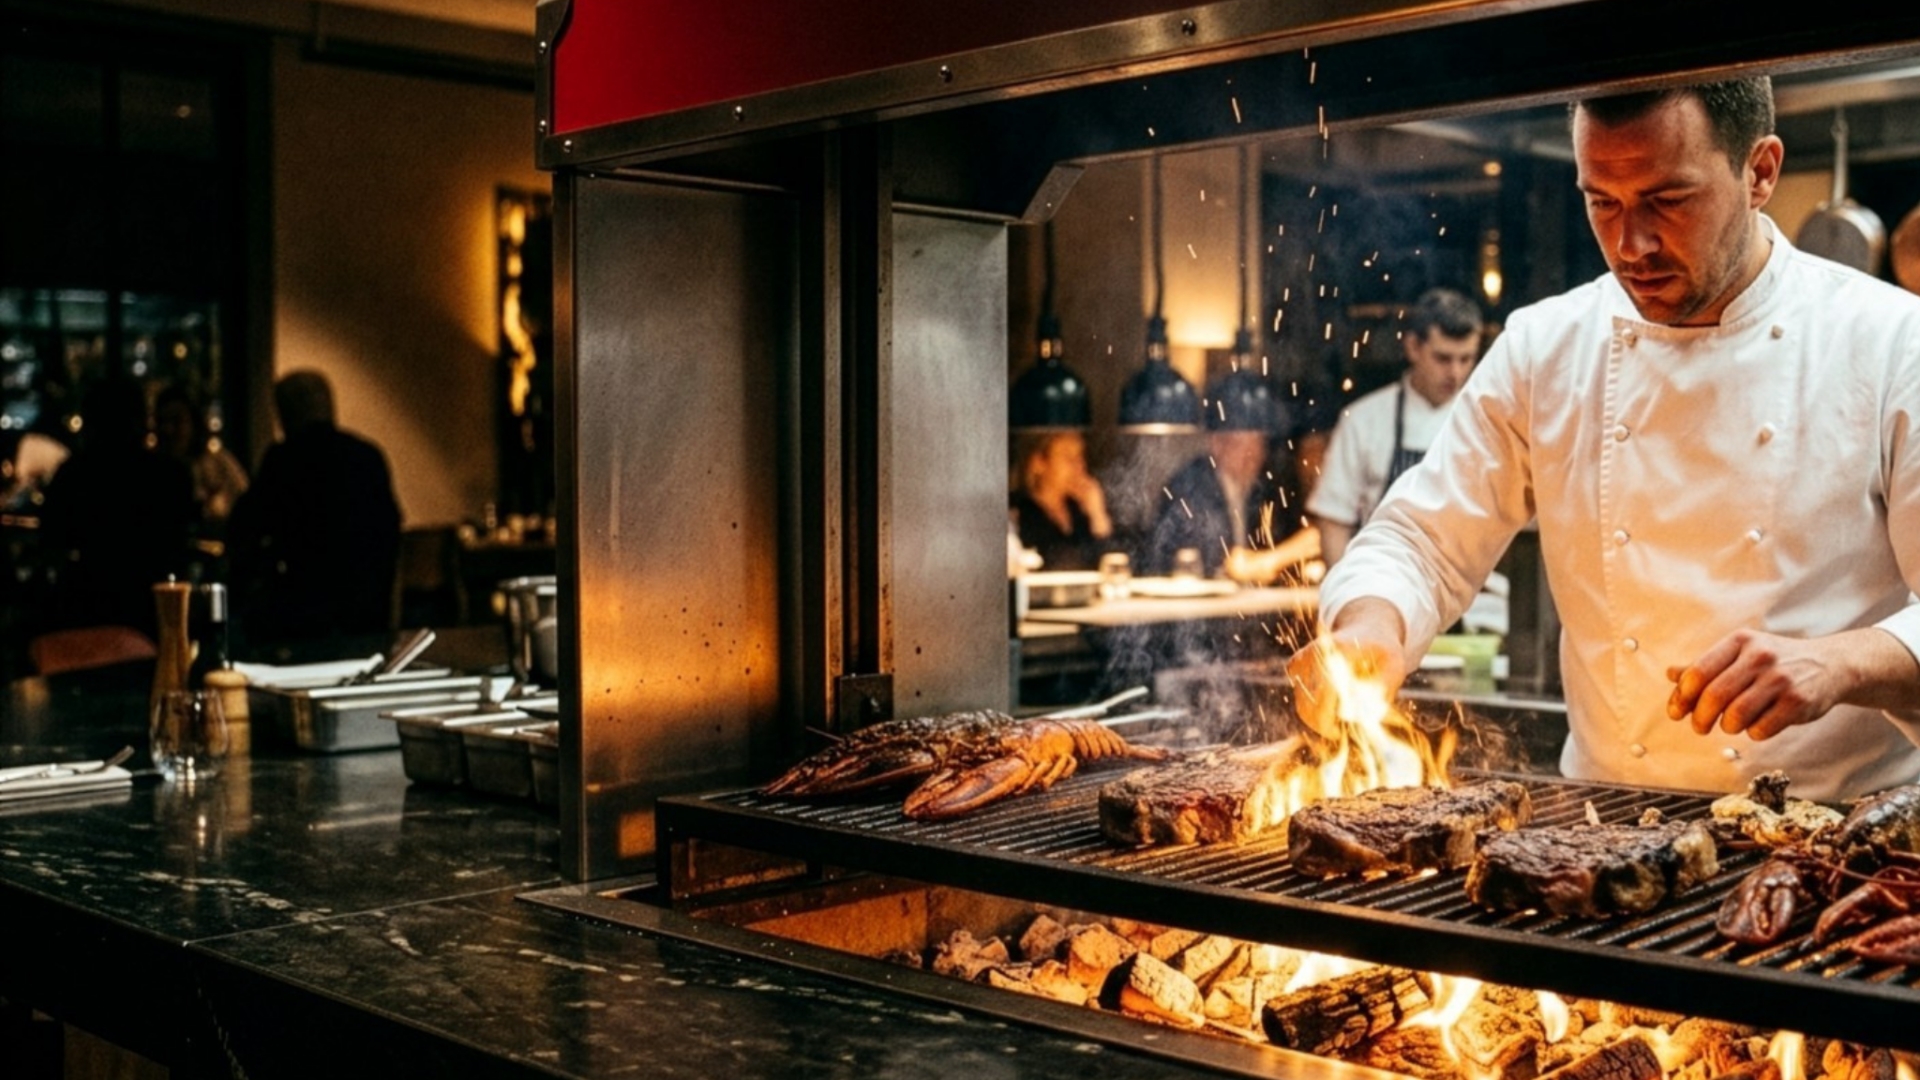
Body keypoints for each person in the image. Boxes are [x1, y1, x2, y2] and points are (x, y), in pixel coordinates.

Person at [1289, 76, 1920, 801]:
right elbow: (1422, 541)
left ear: (1761, 172)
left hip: (1836, 840)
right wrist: (1371, 632)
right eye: (1602, 202)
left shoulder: (1890, 342)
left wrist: (1844, 662)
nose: (1631, 243)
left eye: (1668, 200)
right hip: (1601, 839)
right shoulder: (1546, 346)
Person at [1307, 288, 1484, 567]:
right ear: (1413, 346)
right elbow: (1333, 521)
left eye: (1466, 359)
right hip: (1382, 585)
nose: (1456, 373)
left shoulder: (1484, 421)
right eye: (1443, 358)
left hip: (1469, 595)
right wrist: (1345, 595)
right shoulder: (1364, 420)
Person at [228, 370, 402, 648]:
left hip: (302, 615)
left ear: (285, 414)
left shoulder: (283, 461)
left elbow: (244, 526)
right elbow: (391, 529)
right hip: (367, 609)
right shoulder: (367, 455)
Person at [35, 377, 196, 637]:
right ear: (140, 420)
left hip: (84, 610)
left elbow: (51, 541)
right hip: (154, 611)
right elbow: (181, 543)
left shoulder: (73, 475)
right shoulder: (169, 474)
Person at [1143, 368, 1316, 580]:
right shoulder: (1188, 488)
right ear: (1217, 444)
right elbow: (1201, 560)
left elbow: (1311, 537)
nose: (1253, 456)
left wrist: (1271, 560)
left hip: (1259, 608)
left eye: (1259, 444)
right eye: (1242, 445)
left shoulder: (1270, 486)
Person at [1010, 429, 1114, 572]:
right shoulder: (1017, 513)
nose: (1079, 466)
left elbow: (1110, 565)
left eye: (1080, 457)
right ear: (1038, 463)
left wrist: (1098, 515)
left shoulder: (1079, 511)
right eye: (1069, 458)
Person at [154, 384, 249, 531]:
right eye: (162, 422)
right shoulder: (152, 473)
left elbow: (245, 506)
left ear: (193, 423)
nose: (167, 430)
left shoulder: (219, 464)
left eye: (176, 421)